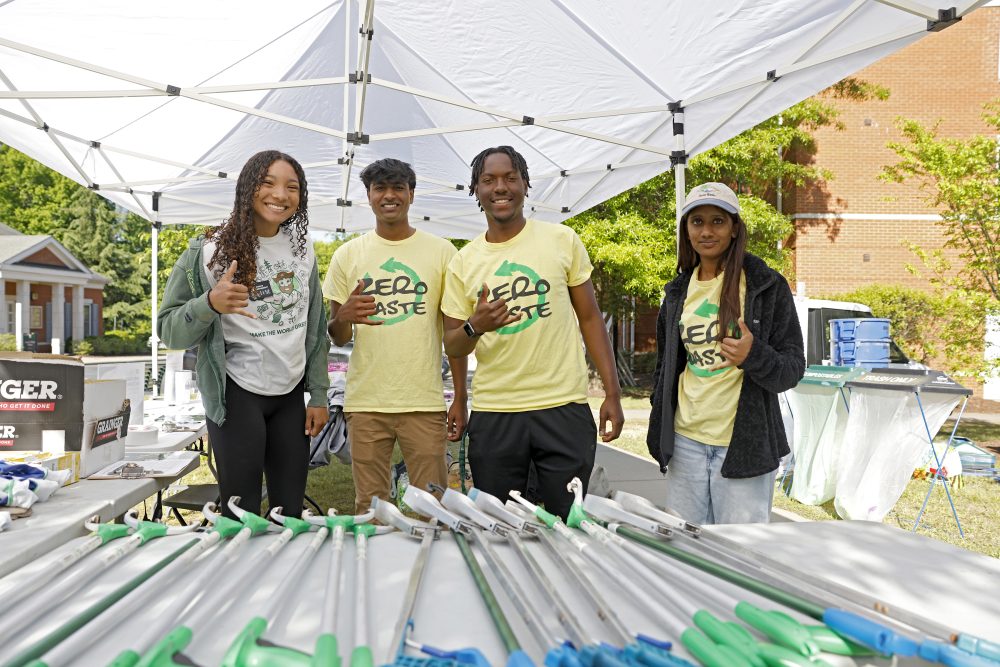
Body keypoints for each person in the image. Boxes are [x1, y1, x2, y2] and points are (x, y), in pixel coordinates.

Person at [441, 146, 624, 520]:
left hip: (563, 406)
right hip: (496, 414)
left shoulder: (562, 240)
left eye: (510, 177)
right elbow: (453, 343)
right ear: (476, 190)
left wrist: (612, 391)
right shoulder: (463, 262)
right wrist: (477, 327)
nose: (501, 187)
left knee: (568, 521)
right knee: (500, 526)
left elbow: (589, 318)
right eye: (488, 180)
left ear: (525, 184)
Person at [159, 149, 330, 519]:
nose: (280, 195)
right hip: (237, 396)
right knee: (241, 513)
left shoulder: (304, 250)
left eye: (292, 187)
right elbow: (169, 332)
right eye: (267, 183)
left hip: (289, 396)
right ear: (247, 188)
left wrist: (318, 393)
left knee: (290, 512)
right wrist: (210, 303)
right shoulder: (206, 253)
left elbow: (315, 329)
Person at [646, 182, 804, 525]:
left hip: (743, 447)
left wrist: (753, 354)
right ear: (686, 230)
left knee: (742, 555)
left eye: (717, 221)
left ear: (734, 229)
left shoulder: (766, 286)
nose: (706, 231)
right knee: (685, 550)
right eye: (697, 221)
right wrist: (658, 407)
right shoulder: (677, 292)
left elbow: (792, 369)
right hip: (685, 443)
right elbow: (666, 368)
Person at [324, 158, 468, 514]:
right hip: (366, 401)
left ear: (411, 195)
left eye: (397, 188)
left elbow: (454, 333)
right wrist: (343, 316)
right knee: (371, 508)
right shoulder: (348, 255)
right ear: (369, 197)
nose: (389, 196)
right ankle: (371, 568)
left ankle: (429, 568)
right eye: (380, 189)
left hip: (424, 400)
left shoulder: (442, 252)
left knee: (433, 507)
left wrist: (461, 396)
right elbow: (338, 336)